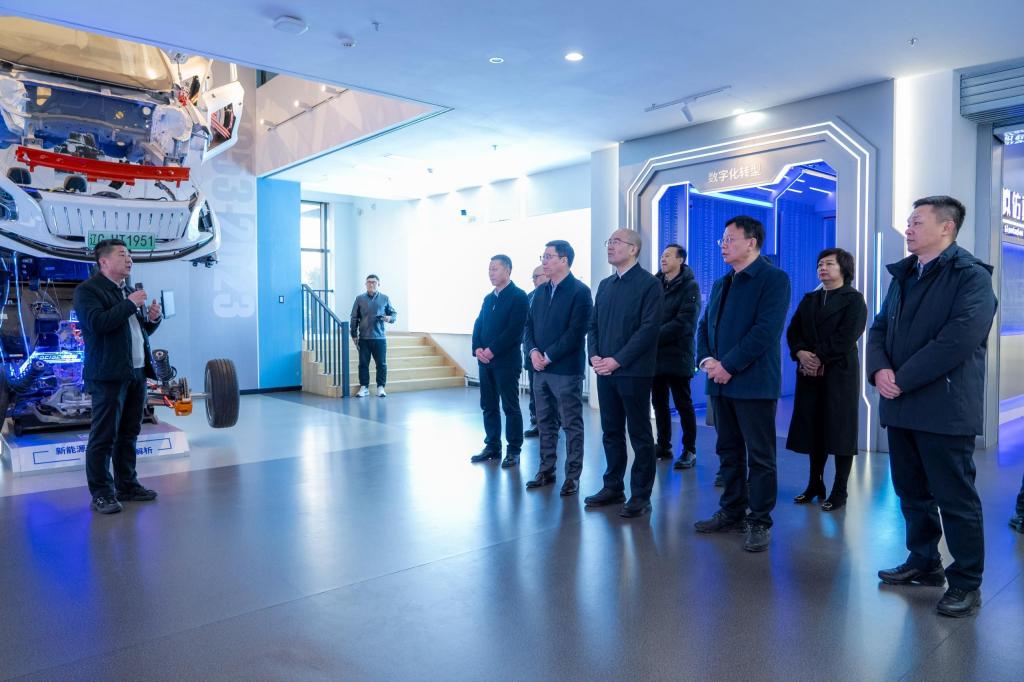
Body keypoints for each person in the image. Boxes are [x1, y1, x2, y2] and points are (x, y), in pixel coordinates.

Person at [868, 195, 997, 618]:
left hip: (944, 407)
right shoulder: (904, 274)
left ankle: (966, 582)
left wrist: (900, 378)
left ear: (947, 227)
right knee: (911, 492)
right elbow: (880, 327)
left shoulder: (971, 277)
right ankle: (924, 561)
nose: (908, 229)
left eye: (916, 222)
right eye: (908, 222)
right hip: (901, 404)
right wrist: (879, 370)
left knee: (954, 497)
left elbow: (956, 341)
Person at [693, 216, 791, 552]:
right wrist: (706, 361)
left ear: (751, 242)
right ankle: (732, 511)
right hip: (720, 383)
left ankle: (759, 520)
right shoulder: (722, 282)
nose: (723, 245)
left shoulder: (773, 279)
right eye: (722, 239)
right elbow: (704, 326)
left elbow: (765, 331)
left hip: (754, 383)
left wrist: (729, 365)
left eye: (730, 239)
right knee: (728, 451)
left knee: (760, 456)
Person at [73, 239, 162, 514]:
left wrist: (152, 319)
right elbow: (98, 324)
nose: (129, 259)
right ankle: (102, 493)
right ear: (104, 262)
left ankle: (127, 485)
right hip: (107, 375)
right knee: (104, 436)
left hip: (135, 372)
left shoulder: (126, 291)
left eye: (130, 255)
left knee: (129, 433)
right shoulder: (88, 290)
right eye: (122, 255)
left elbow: (135, 331)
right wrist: (130, 304)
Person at [585, 229, 664, 518]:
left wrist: (617, 360)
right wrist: (594, 355)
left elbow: (648, 330)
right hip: (605, 371)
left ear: (633, 249)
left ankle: (641, 495)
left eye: (616, 242)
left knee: (640, 434)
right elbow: (593, 325)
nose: (610, 246)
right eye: (609, 241)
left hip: (634, 372)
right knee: (611, 431)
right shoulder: (605, 285)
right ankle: (613, 486)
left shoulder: (649, 284)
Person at [785, 248, 867, 511]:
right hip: (809, 374)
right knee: (814, 429)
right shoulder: (810, 299)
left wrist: (818, 356)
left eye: (829, 264)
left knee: (841, 431)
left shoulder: (854, 300)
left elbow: (847, 336)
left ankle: (840, 490)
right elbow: (793, 331)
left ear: (844, 268)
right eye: (820, 264)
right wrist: (800, 352)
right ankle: (815, 484)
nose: (822, 268)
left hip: (839, 373)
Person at [523, 240, 592, 495]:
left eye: (549, 256)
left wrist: (548, 355)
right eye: (543, 256)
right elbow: (528, 326)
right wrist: (533, 352)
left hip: (565, 370)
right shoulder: (540, 292)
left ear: (564, 260)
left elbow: (576, 331)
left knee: (571, 424)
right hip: (539, 370)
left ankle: (572, 476)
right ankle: (546, 469)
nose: (544, 260)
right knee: (544, 422)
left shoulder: (580, 291)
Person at [470, 255, 529, 466]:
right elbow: (478, 324)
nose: (491, 273)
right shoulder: (488, 298)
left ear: (508, 270)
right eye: (489, 269)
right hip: (485, 362)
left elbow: (514, 331)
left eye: (495, 269)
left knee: (510, 406)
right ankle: (492, 446)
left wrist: (492, 350)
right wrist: (477, 348)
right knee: (488, 405)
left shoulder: (519, 297)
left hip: (506, 362)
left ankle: (514, 449)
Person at [652, 243, 701, 470]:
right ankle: (663, 445)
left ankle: (689, 450)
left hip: (678, 354)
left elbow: (685, 323)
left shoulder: (690, 286)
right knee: (659, 403)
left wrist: (651, 335)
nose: (663, 259)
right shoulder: (655, 284)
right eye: (662, 255)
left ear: (680, 260)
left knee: (683, 404)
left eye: (668, 255)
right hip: (655, 355)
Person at [349, 274, 397, 397]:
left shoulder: (385, 298)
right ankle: (364, 387)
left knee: (381, 364)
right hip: (364, 338)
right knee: (363, 364)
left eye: (374, 282)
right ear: (366, 284)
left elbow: (393, 314)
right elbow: (354, 317)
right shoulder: (359, 299)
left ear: (378, 284)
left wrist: (389, 318)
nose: (371, 284)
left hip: (380, 338)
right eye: (369, 282)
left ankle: (381, 387)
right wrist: (353, 334)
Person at [523, 265, 550, 439]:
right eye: (532, 277)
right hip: (531, 354)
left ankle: (552, 424)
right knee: (534, 392)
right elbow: (526, 325)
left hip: (549, 356)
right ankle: (537, 422)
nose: (534, 280)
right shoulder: (529, 297)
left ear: (547, 275)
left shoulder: (554, 295)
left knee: (550, 395)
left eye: (537, 276)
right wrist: (531, 350)